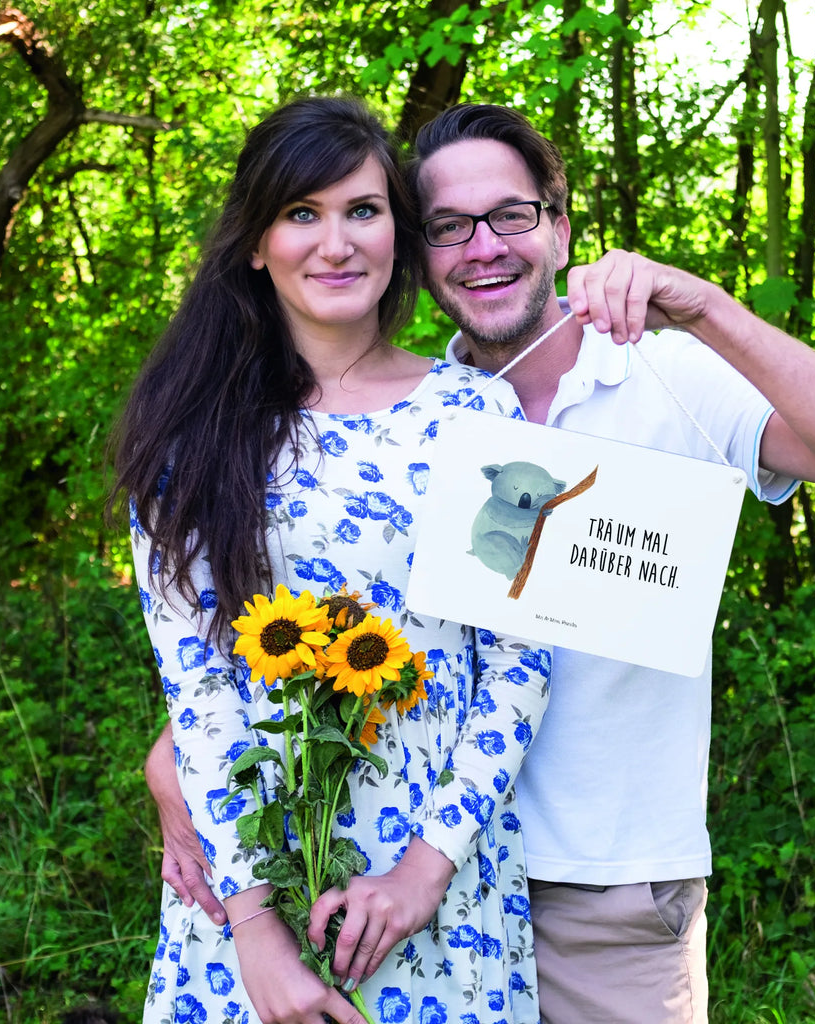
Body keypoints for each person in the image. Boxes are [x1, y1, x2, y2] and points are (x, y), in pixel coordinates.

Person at [147, 102, 815, 1024]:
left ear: (558, 226)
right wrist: (182, 769)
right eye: (448, 227)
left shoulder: (656, 373)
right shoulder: (410, 415)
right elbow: (274, 632)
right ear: (421, 252)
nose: (482, 247)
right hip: (366, 875)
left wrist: (705, 306)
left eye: (510, 215)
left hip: (598, 888)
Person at [110, 96, 554, 1024]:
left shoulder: (479, 415)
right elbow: (199, 691)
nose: (336, 242)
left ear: (398, 229)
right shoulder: (191, 437)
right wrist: (257, 936)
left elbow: (521, 660)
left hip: (439, 888)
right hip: (249, 887)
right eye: (301, 214)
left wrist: (424, 872)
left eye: (363, 210)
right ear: (255, 244)